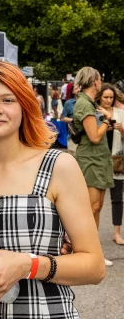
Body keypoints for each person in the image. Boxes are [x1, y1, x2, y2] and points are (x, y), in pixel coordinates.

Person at [0, 60, 105, 318]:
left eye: (8, 100)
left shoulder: (58, 167)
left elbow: (94, 267)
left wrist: (28, 264)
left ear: (25, 107)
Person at [73, 67, 114, 266]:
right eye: (100, 78)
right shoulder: (84, 104)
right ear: (95, 81)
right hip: (91, 160)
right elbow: (95, 137)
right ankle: (88, 252)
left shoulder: (88, 103)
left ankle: (92, 251)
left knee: (96, 208)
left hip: (97, 160)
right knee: (91, 208)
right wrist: (107, 120)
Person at [95, 84, 124, 245]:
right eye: (105, 97)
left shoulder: (121, 113)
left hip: (117, 160)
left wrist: (121, 129)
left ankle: (116, 232)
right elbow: (92, 135)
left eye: (111, 97)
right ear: (100, 96)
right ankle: (92, 235)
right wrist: (108, 124)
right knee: (96, 202)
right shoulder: (95, 112)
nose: (108, 100)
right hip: (99, 159)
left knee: (117, 197)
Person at [61, 83, 81, 156]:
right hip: (73, 136)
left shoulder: (89, 102)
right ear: (72, 91)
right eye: (76, 88)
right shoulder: (69, 103)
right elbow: (62, 118)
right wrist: (73, 120)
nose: (79, 90)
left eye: (80, 88)